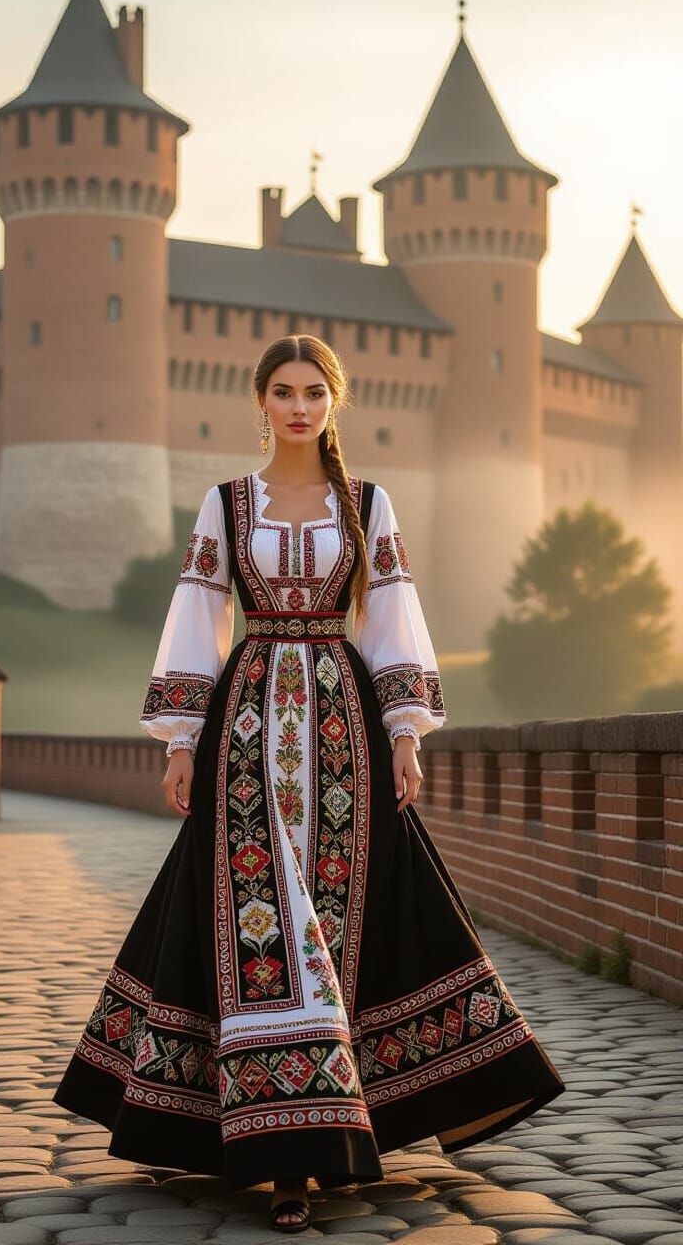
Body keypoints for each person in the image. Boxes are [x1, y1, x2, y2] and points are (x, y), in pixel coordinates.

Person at [52, 334, 566, 1233]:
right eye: (284, 391)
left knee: (337, 914)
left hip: (344, 729)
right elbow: (199, 613)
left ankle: (330, 1128)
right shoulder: (227, 504)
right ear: (260, 401)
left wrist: (405, 733)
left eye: (314, 392)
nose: (299, 407)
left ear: (335, 402)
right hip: (245, 726)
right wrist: (181, 740)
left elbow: (394, 612)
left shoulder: (368, 504)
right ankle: (285, 1153)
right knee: (258, 921)